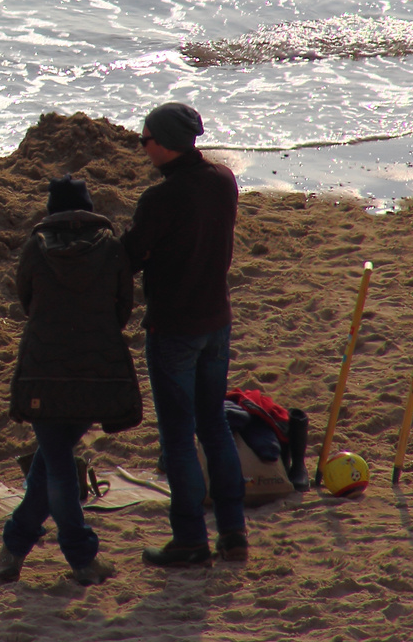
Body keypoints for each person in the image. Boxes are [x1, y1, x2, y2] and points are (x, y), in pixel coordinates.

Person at [0, 177, 137, 587]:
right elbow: (124, 305)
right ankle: (14, 552)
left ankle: (72, 557)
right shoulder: (111, 247)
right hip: (97, 371)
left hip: (43, 371)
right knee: (53, 462)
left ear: (52, 211)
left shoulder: (37, 248)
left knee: (56, 466)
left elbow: (27, 301)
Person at [121, 102, 247, 566]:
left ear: (165, 143)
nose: (142, 146)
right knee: (212, 423)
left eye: (145, 139)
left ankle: (191, 538)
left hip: (174, 325)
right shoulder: (222, 180)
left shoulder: (160, 199)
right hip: (216, 317)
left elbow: (131, 255)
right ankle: (233, 533)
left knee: (178, 436)